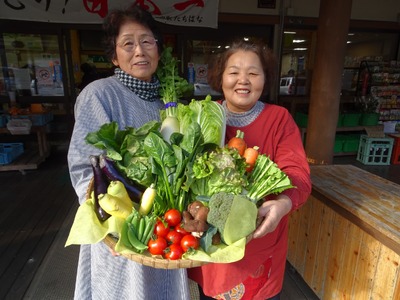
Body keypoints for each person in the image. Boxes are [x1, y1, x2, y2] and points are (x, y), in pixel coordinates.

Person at [67, 5, 191, 300]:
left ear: (159, 50)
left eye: (147, 41)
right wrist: (116, 224)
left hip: (166, 226)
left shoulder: (168, 101)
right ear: (114, 56)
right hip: (122, 227)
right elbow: (85, 166)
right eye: (128, 44)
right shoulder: (99, 94)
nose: (140, 51)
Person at [188, 40, 312, 299]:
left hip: (258, 241)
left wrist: (284, 204)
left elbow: (298, 174)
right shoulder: (202, 116)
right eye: (234, 72)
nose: (243, 80)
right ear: (219, 77)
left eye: (253, 73)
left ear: (265, 79)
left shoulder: (279, 119)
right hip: (209, 241)